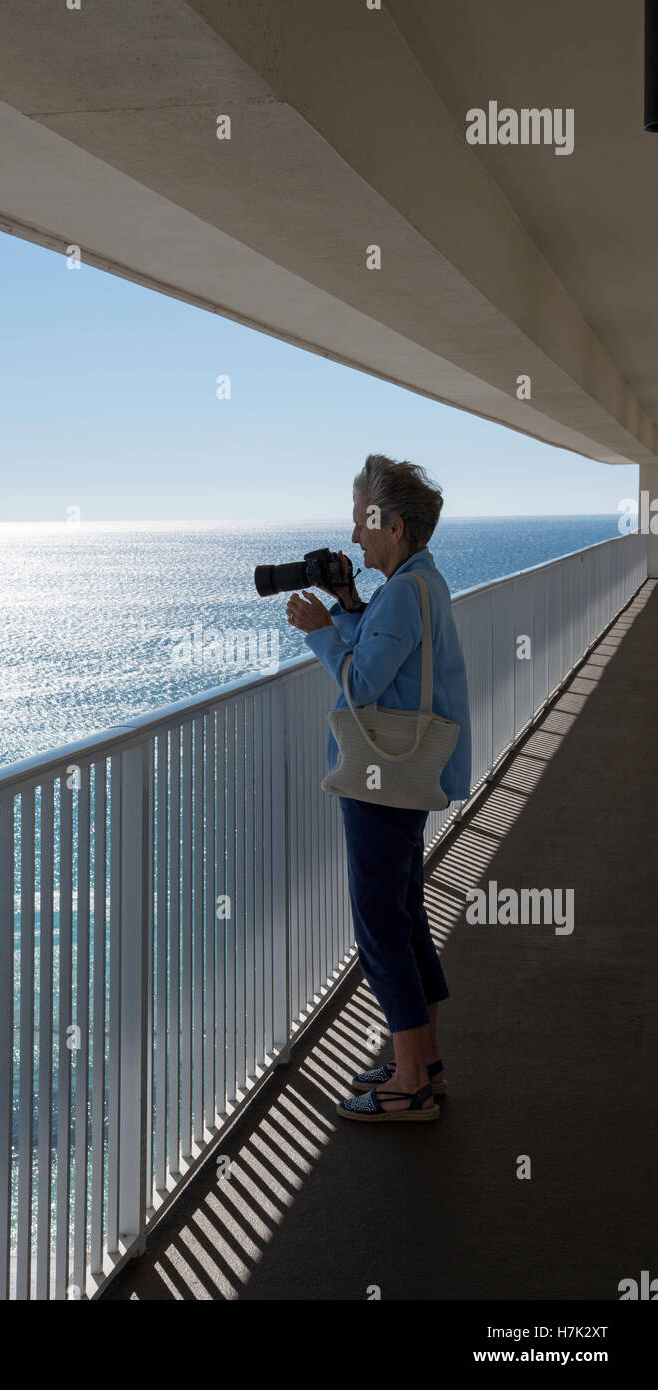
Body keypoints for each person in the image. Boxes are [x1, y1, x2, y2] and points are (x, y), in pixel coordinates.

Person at [286, 454, 471, 1123]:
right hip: (403, 773)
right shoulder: (419, 581)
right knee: (402, 915)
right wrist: (344, 607)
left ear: (392, 525)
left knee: (379, 926)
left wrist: (317, 634)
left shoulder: (402, 592)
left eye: (364, 522)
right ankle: (421, 1060)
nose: (354, 536)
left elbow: (362, 683)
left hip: (380, 779)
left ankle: (412, 1086)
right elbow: (382, 651)